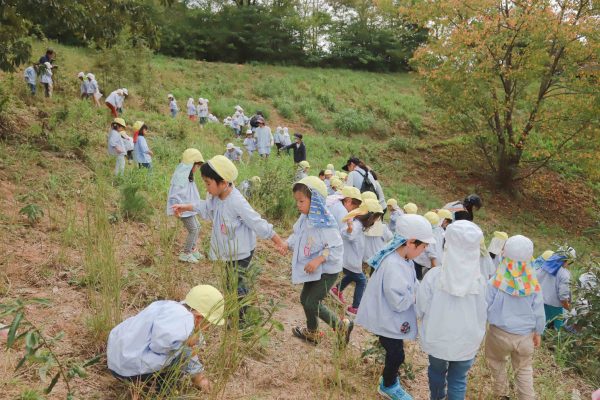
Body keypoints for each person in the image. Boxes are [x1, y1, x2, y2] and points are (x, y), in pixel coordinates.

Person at [171, 156, 287, 318]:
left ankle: (241, 318)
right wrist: (186, 207)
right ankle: (238, 306)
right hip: (229, 251)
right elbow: (205, 206)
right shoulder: (216, 196)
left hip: (241, 252)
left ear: (224, 183)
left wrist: (278, 240)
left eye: (208, 183)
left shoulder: (237, 202)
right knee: (230, 282)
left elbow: (256, 222)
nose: (206, 186)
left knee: (235, 284)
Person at [357, 214, 436, 400]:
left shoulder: (404, 260)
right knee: (396, 354)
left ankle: (390, 380)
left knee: (396, 352)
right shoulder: (394, 265)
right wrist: (417, 296)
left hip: (389, 318)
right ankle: (388, 385)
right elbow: (398, 301)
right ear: (410, 242)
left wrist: (422, 290)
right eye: (423, 246)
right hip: (387, 319)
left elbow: (413, 283)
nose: (424, 251)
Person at [107, 285, 224, 397]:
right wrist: (186, 343)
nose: (209, 328)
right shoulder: (184, 321)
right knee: (180, 357)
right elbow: (159, 346)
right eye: (209, 324)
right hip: (128, 369)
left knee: (183, 350)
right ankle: (163, 393)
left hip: (116, 359)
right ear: (199, 317)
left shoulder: (171, 307)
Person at [416, 220, 487, 400]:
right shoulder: (480, 281)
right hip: (467, 340)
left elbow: (421, 306)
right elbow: (484, 311)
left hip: (437, 337)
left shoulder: (434, 276)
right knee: (458, 379)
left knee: (436, 373)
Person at [285, 176, 353, 345]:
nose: (298, 205)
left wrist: (319, 259)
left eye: (301, 201)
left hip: (328, 271)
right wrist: (286, 244)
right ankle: (313, 331)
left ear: (314, 201)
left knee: (312, 302)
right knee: (304, 299)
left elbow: (335, 246)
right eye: (296, 201)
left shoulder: (326, 222)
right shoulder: (306, 217)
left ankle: (340, 325)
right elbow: (298, 234)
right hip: (315, 268)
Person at [485, 235, 545, 400]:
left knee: (496, 363)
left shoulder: (495, 282)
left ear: (504, 254)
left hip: (498, 334)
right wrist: (538, 332)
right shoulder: (534, 286)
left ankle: (501, 395)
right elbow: (539, 312)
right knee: (524, 369)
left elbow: (484, 305)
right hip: (525, 337)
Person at [333, 199, 382, 317]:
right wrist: (349, 229)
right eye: (376, 218)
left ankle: (337, 290)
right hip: (350, 261)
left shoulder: (359, 225)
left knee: (352, 275)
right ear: (369, 216)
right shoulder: (356, 225)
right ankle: (355, 308)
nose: (375, 221)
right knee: (362, 280)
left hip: (351, 261)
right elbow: (348, 234)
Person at [166, 149, 205, 263]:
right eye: (197, 166)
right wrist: (176, 209)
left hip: (189, 208)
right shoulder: (180, 176)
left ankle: (192, 249)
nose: (198, 169)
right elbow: (174, 194)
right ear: (191, 164)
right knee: (193, 229)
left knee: (197, 227)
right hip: (183, 209)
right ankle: (186, 253)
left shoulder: (188, 175)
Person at [536, 248, 575, 329]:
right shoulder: (564, 274)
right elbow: (563, 297)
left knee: (541, 322)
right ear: (567, 260)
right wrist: (568, 308)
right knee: (558, 327)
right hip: (555, 305)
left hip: (539, 301)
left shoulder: (544, 265)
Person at [413, 211, 440, 279]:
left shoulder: (428, 233)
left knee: (419, 277)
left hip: (421, 259)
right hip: (427, 261)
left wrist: (433, 265)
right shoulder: (438, 231)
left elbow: (431, 252)